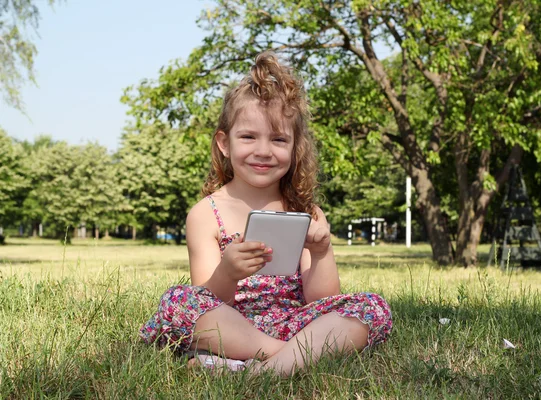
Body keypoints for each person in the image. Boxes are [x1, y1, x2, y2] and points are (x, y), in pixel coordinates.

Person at [140, 51, 393, 376]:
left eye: (278, 139)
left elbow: (322, 300)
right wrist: (228, 272)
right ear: (224, 144)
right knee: (179, 300)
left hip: (293, 323)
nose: (263, 150)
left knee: (371, 307)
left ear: (294, 147)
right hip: (231, 328)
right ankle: (286, 359)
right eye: (248, 137)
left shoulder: (305, 210)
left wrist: (321, 251)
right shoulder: (205, 213)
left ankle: (255, 371)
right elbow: (206, 300)